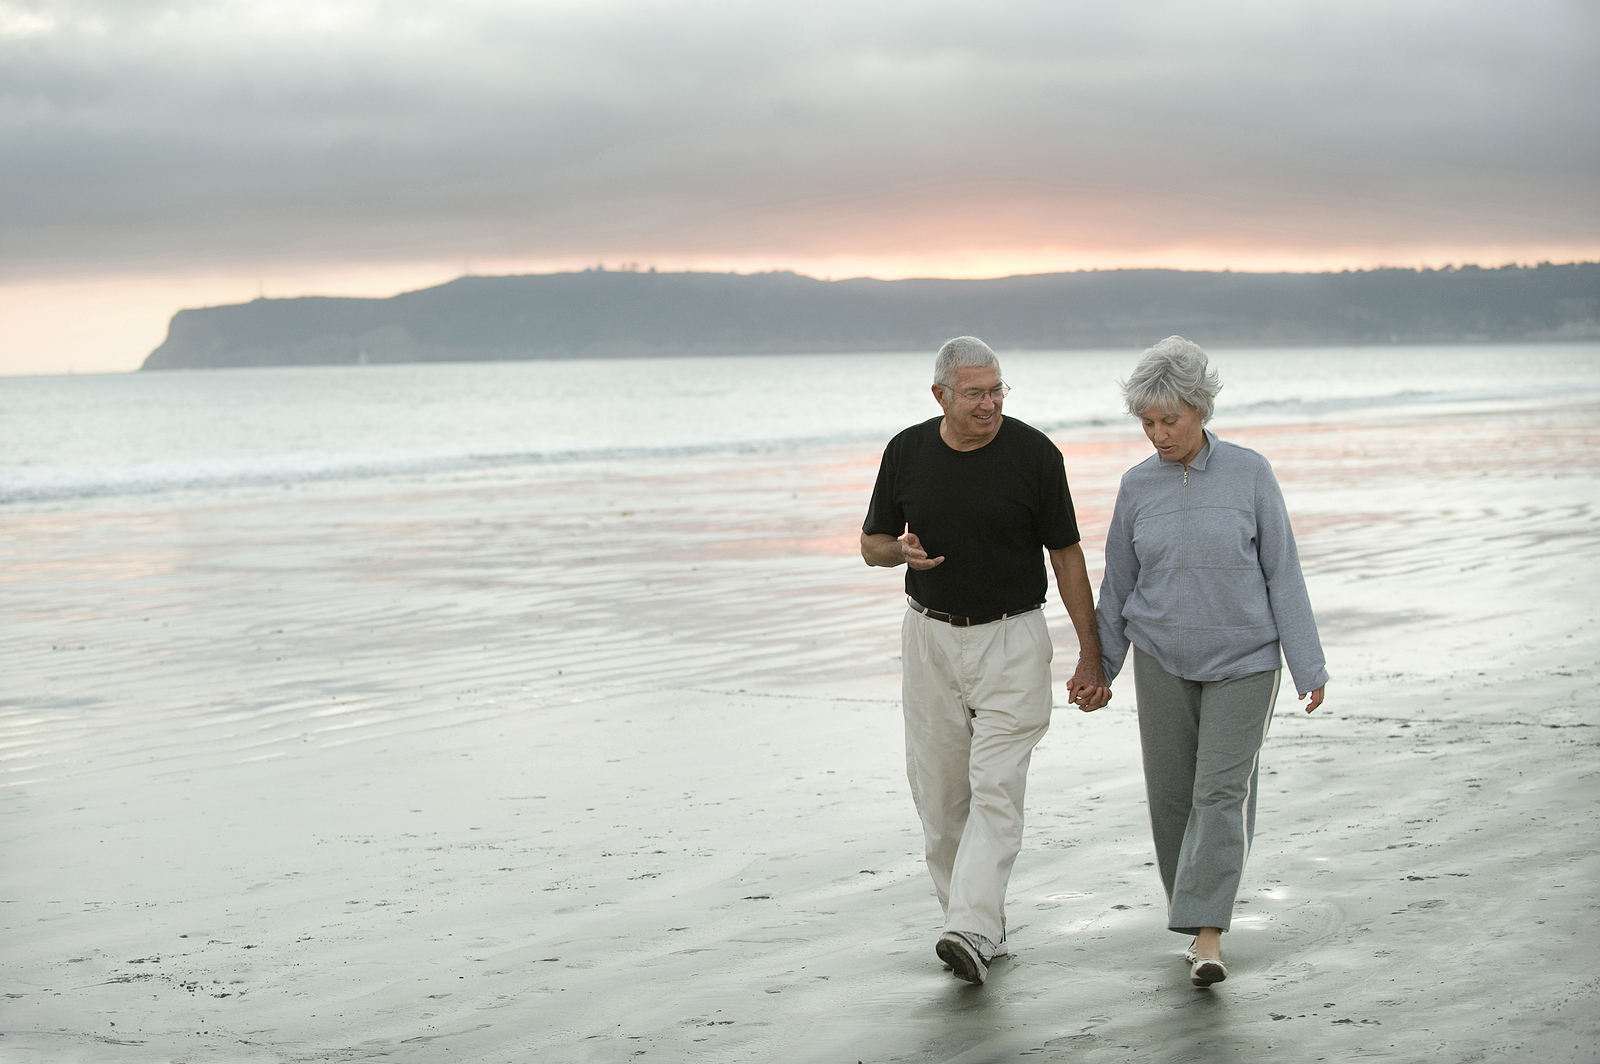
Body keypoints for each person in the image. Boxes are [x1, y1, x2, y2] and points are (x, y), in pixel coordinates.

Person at [861, 335, 1111, 986]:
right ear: (940, 395)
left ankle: (969, 926)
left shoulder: (1035, 455)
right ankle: (975, 929)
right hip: (930, 639)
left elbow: (1068, 554)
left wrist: (1091, 652)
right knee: (941, 798)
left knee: (995, 787)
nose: (989, 404)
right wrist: (899, 554)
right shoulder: (906, 451)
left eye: (998, 390)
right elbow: (871, 544)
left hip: (1014, 639)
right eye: (974, 393)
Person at [1093, 336, 1328, 988]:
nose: (1159, 434)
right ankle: (1193, 915)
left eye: (1171, 420)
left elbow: (1284, 572)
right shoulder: (1136, 486)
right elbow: (1118, 586)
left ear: (1201, 409)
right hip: (1162, 657)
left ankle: (1207, 935)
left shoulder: (1250, 474)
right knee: (1171, 798)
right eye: (1148, 423)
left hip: (1246, 660)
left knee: (1220, 794)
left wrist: (1308, 664)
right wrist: (1100, 667)